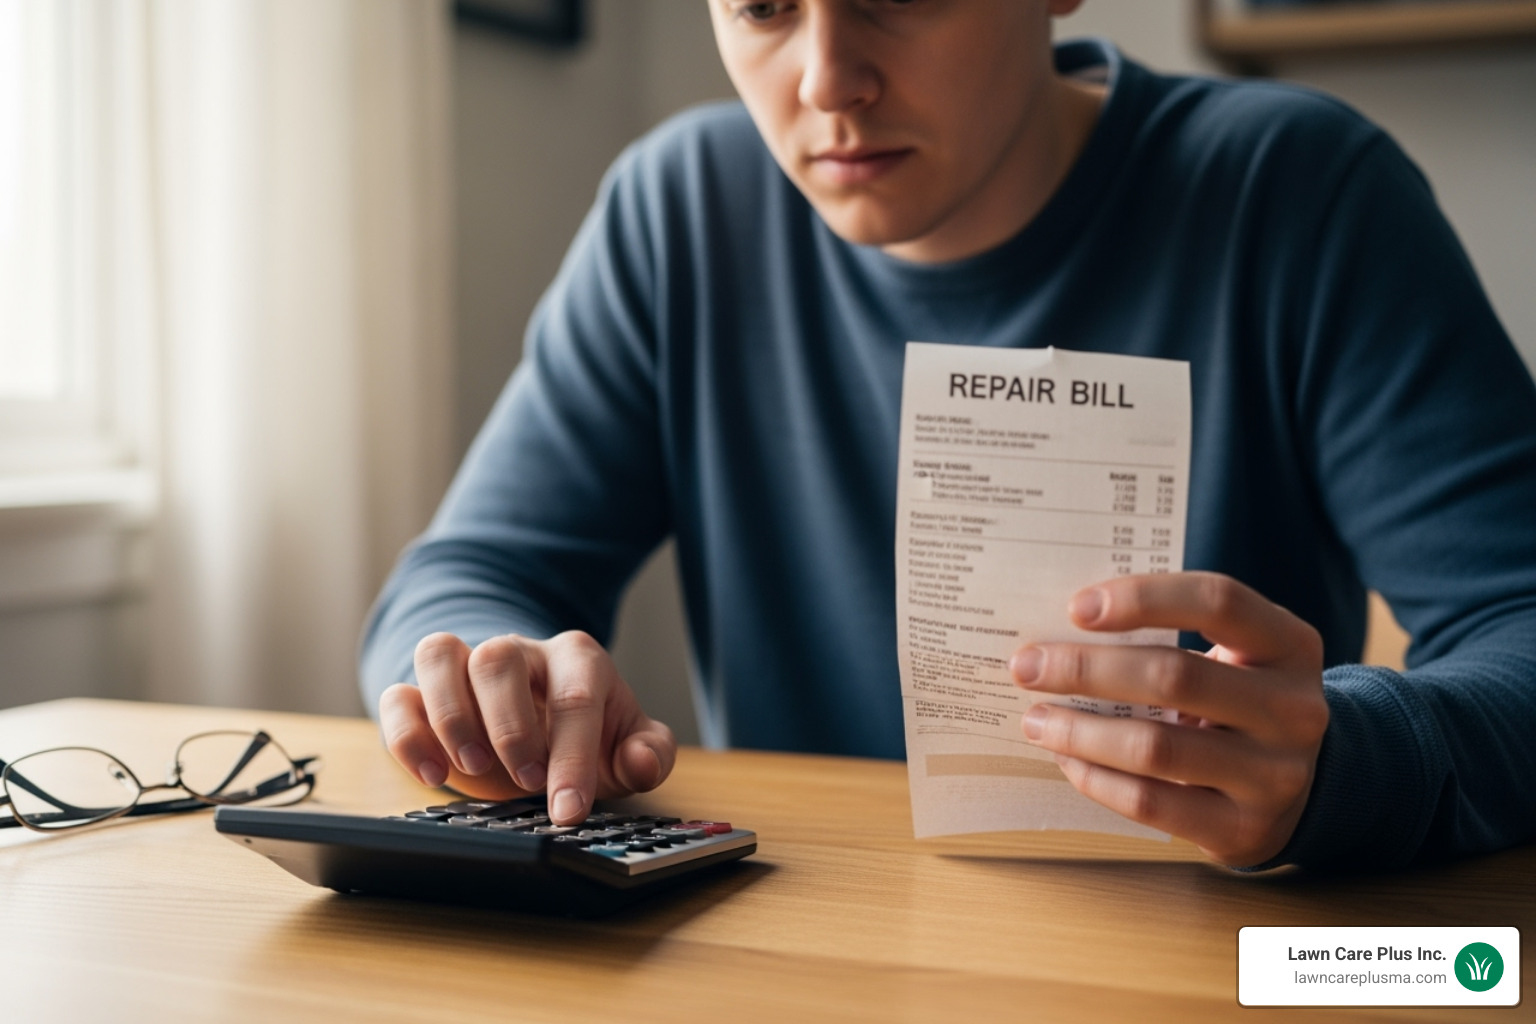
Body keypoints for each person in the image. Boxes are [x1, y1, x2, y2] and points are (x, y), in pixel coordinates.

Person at [361, 0, 1536, 870]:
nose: (827, 79)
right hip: (821, 940)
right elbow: (473, 571)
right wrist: (485, 680)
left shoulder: (1297, 194)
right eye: (763, 6)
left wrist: (1341, 762)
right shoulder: (679, 212)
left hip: (1204, 953)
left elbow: (1519, 625)